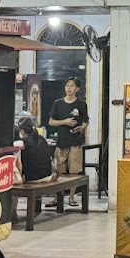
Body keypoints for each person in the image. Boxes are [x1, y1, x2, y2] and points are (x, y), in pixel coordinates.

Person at [47, 76, 88, 207]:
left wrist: (81, 128)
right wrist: (65, 122)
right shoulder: (58, 103)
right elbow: (51, 122)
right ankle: (56, 197)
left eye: (72, 86)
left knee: (74, 171)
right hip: (61, 140)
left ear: (77, 89)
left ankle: (71, 197)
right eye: (67, 85)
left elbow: (86, 121)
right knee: (59, 170)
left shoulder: (81, 104)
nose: (69, 88)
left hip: (75, 141)